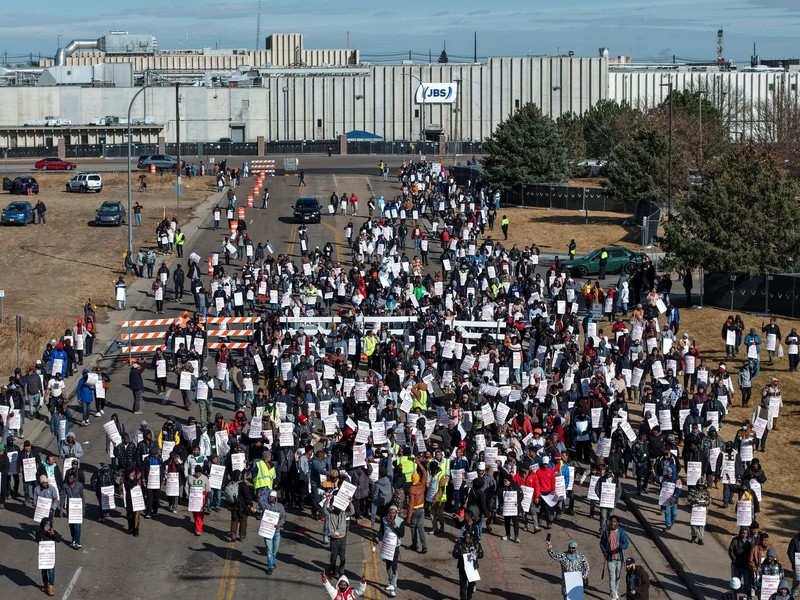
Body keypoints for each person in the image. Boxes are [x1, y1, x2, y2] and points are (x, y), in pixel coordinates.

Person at [374, 505, 405, 597]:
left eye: (393, 513)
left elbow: (401, 534)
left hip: (395, 546)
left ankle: (393, 585)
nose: (391, 515)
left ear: (396, 513)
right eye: (390, 513)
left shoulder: (400, 521)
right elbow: (382, 531)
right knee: (388, 565)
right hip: (387, 545)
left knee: (394, 565)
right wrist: (376, 538)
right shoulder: (384, 519)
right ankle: (391, 581)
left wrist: (394, 525)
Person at [599, 515, 630, 600]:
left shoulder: (621, 532)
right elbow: (601, 543)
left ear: (617, 523)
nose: (612, 523)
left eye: (614, 522)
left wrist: (622, 546)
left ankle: (615, 590)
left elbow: (626, 544)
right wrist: (604, 551)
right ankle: (613, 596)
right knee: (612, 578)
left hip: (619, 559)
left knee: (618, 577)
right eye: (611, 521)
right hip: (610, 559)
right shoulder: (606, 532)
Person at [260, 489, 286, 574]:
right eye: (270, 497)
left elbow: (283, 517)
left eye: (272, 497)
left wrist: (280, 524)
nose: (270, 498)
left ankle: (273, 561)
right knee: (269, 550)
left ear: (275, 498)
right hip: (268, 532)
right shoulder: (266, 506)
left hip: (276, 532)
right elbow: (260, 502)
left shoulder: (280, 506)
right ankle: (270, 566)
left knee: (275, 550)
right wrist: (259, 496)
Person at [453, 529, 484, 600]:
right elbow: (454, 554)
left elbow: (481, 554)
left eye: (468, 538)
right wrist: (461, 552)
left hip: (472, 568)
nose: (467, 539)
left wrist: (477, 554)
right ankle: (463, 598)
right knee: (463, 584)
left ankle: (469, 597)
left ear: (471, 537)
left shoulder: (476, 543)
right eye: (465, 537)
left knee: (472, 584)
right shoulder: (459, 543)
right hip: (463, 567)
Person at [36, 517, 62, 596]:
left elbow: (59, 539)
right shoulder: (39, 533)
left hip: (50, 556)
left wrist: (53, 534)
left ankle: (51, 587)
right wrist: (44, 531)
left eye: (49, 525)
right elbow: (37, 539)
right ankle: (46, 584)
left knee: (51, 571)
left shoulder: (53, 532)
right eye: (46, 525)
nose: (48, 527)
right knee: (44, 571)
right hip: (43, 556)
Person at [60, 471, 84, 549]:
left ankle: (77, 542)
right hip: (69, 509)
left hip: (78, 508)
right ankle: (73, 539)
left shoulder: (79, 485)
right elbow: (63, 497)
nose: (70, 480)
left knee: (78, 526)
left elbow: (82, 496)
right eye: (68, 478)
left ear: (75, 479)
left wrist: (83, 508)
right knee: (71, 526)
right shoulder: (65, 486)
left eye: (71, 478)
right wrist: (61, 508)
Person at [186, 464, 211, 536]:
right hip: (193, 498)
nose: (198, 474)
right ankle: (197, 525)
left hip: (201, 498)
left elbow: (208, 488)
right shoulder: (190, 478)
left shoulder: (205, 478)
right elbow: (186, 487)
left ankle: (199, 529)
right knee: (195, 514)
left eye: (199, 473)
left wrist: (209, 495)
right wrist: (188, 495)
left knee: (200, 514)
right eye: (196, 473)